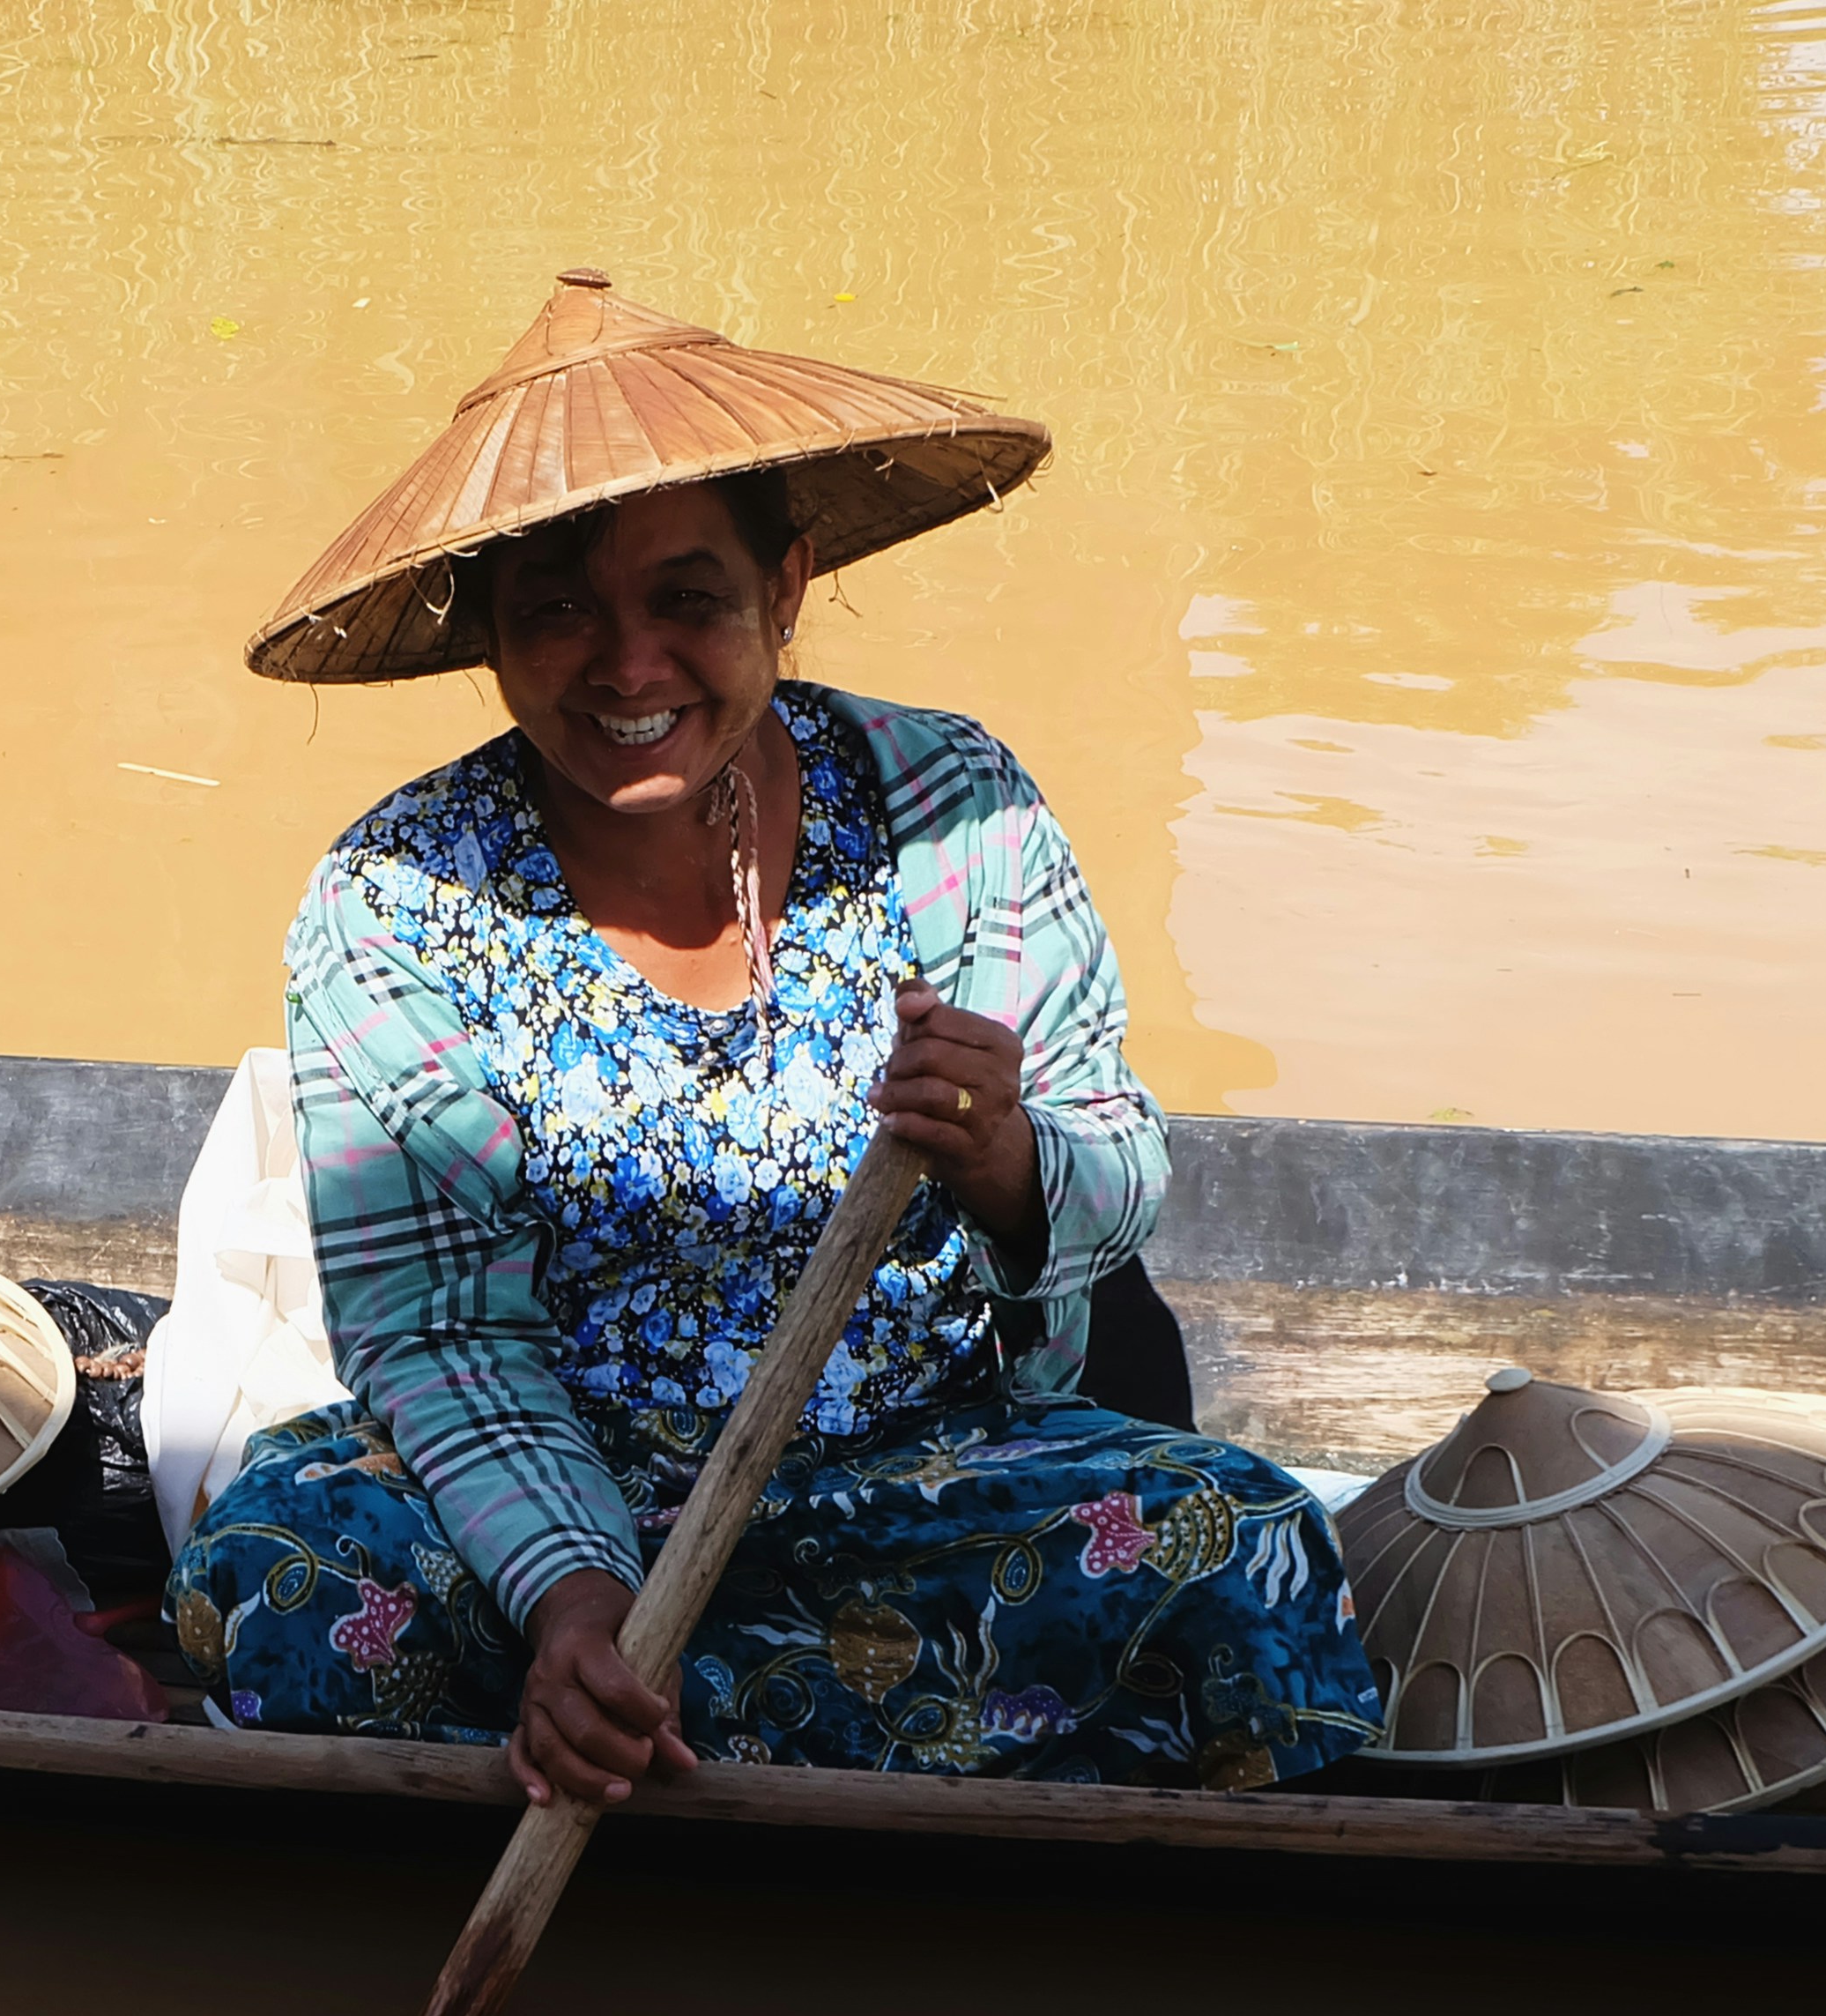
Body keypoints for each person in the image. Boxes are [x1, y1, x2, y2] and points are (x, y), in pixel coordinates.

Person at [173, 271, 1381, 1805]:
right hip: (553, 1502)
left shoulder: (954, 805)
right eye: (555, 610)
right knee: (269, 1577)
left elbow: (1121, 1169)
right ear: (486, 631)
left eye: (689, 598)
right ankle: (734, 1730)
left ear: (787, 588)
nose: (628, 666)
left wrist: (1008, 1157)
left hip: (921, 1474)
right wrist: (579, 1610)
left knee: (1259, 1553)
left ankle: (687, 1743)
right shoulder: (394, 899)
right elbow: (441, 1336)